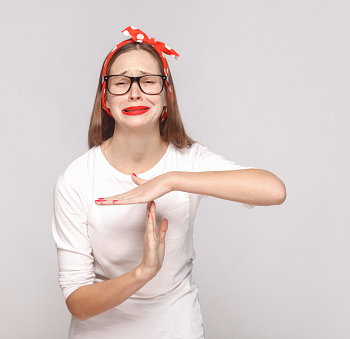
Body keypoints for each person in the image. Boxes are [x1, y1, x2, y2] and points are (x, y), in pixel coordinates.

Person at [52, 26, 286, 339]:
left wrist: (172, 180)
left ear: (167, 97)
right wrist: (143, 272)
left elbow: (273, 190)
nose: (135, 92)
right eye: (121, 83)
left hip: (176, 328)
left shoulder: (189, 160)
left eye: (148, 82)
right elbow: (78, 303)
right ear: (105, 99)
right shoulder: (77, 178)